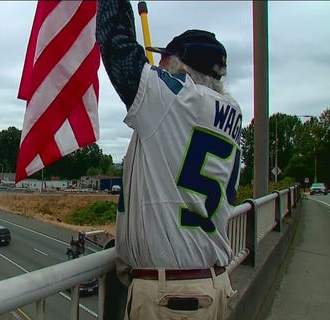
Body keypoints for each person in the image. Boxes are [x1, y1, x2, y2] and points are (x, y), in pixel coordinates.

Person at [96, 1, 241, 319]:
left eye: (164, 58)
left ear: (183, 68)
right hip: (207, 284)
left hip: (174, 298)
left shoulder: (177, 102)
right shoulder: (228, 113)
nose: (157, 65)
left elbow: (116, 43)